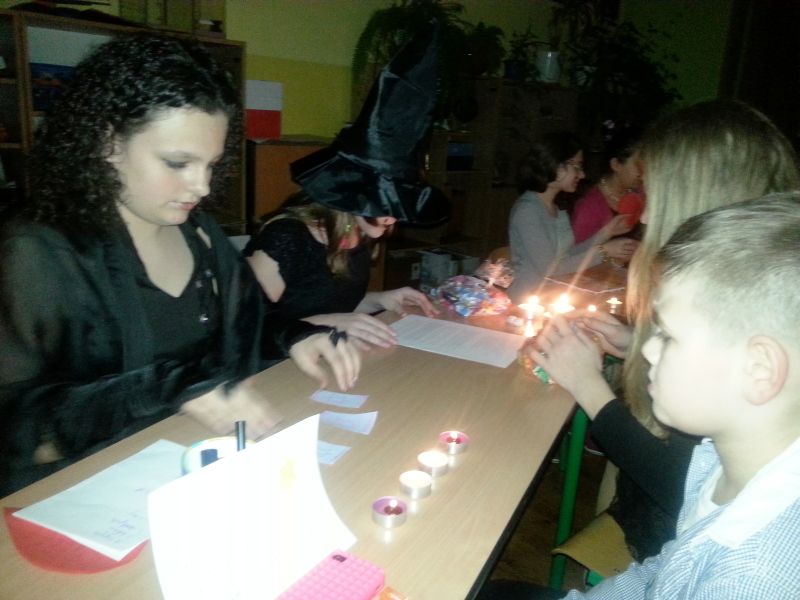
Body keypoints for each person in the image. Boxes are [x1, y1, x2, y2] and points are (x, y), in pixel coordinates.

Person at [0, 35, 359, 497]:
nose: (202, 186)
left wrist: (296, 336)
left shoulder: (200, 234)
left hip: (181, 466)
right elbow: (17, 429)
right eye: (177, 163)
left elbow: (248, 326)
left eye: (211, 164)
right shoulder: (37, 252)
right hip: (74, 493)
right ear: (108, 143)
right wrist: (170, 388)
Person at [484, 193, 800, 599]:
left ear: (760, 370)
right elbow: (664, 572)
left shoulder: (752, 580)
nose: (647, 350)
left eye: (668, 336)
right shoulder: (721, 463)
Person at [533, 100, 800, 561]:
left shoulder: (745, 312)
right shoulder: (758, 291)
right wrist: (633, 344)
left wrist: (587, 386)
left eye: (653, 197)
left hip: (671, 549)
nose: (645, 217)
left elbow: (694, 489)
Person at [244, 22, 449, 349]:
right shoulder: (287, 238)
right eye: (387, 202)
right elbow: (242, 330)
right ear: (358, 191)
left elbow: (333, 307)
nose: (393, 216)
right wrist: (325, 323)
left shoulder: (357, 233)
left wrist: (381, 299)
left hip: (330, 359)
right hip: (273, 369)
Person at [506, 131, 637, 304]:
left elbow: (566, 256)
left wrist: (607, 232)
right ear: (556, 166)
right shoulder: (528, 210)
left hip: (551, 297)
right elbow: (550, 268)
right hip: (527, 301)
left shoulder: (556, 208)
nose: (582, 175)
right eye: (577, 166)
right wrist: (604, 251)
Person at [570, 126, 644, 244]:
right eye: (639, 165)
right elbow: (576, 253)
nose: (645, 172)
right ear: (616, 165)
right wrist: (606, 251)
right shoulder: (589, 207)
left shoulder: (641, 192)